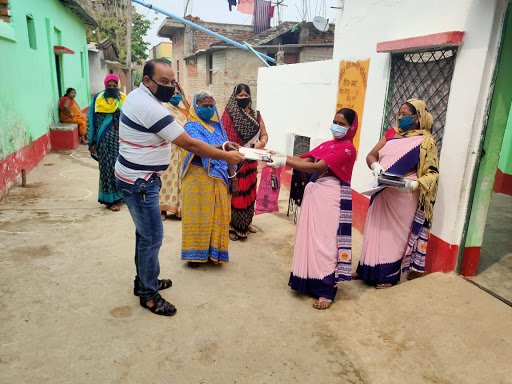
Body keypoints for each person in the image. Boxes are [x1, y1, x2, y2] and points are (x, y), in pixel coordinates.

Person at [115, 59, 244, 317]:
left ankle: (144, 281)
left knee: (145, 235)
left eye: (173, 81)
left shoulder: (137, 97)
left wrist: (219, 149)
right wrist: (226, 157)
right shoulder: (151, 108)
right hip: (140, 182)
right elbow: (191, 145)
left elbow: (197, 143)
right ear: (148, 80)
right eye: (164, 82)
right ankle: (149, 295)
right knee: (152, 238)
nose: (171, 87)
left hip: (135, 177)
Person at [270, 108, 358, 310]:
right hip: (315, 195)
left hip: (330, 196)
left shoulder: (347, 149)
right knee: (310, 239)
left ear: (351, 127)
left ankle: (326, 289)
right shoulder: (328, 145)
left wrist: (284, 161)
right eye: (335, 121)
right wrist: (279, 155)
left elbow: (316, 168)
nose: (336, 126)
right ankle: (309, 282)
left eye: (342, 124)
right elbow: (305, 160)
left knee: (325, 243)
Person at [355, 98, 439, 288]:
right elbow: (371, 155)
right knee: (374, 229)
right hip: (381, 189)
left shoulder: (426, 141)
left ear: (416, 118)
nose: (400, 118)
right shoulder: (392, 133)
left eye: (404, 115)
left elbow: (432, 173)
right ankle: (365, 270)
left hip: (403, 194)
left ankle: (388, 276)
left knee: (393, 235)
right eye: (399, 114)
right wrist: (375, 166)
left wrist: (413, 185)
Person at [181, 91, 235, 267]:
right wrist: (223, 147)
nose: (209, 108)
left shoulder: (218, 126)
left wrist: (232, 175)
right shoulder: (191, 127)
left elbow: (228, 154)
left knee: (217, 216)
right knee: (198, 217)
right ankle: (194, 256)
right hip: (197, 179)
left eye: (211, 105)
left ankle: (214, 254)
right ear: (196, 107)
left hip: (219, 177)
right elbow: (200, 148)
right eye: (204, 106)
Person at [221, 84, 269, 241]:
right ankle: (233, 226)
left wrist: (260, 144)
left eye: (245, 95)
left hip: (251, 161)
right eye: (239, 95)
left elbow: (264, 135)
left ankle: (246, 223)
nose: (243, 98)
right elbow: (224, 139)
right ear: (235, 97)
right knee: (236, 192)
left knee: (249, 192)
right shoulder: (229, 115)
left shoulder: (256, 115)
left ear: (250, 96)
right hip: (235, 160)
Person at [87, 74, 126, 212]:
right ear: (105, 86)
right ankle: (110, 200)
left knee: (120, 169)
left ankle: (120, 196)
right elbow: (91, 120)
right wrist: (91, 141)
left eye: (114, 86)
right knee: (107, 169)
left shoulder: (122, 99)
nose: (112, 88)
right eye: (109, 86)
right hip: (103, 140)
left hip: (120, 141)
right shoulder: (98, 99)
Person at [159, 84, 190, 220]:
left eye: (178, 93)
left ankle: (178, 209)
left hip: (183, 148)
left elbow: (192, 117)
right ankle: (162, 209)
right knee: (167, 178)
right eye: (173, 93)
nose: (176, 95)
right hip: (169, 147)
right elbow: (179, 126)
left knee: (181, 178)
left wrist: (183, 97)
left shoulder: (183, 110)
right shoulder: (164, 108)